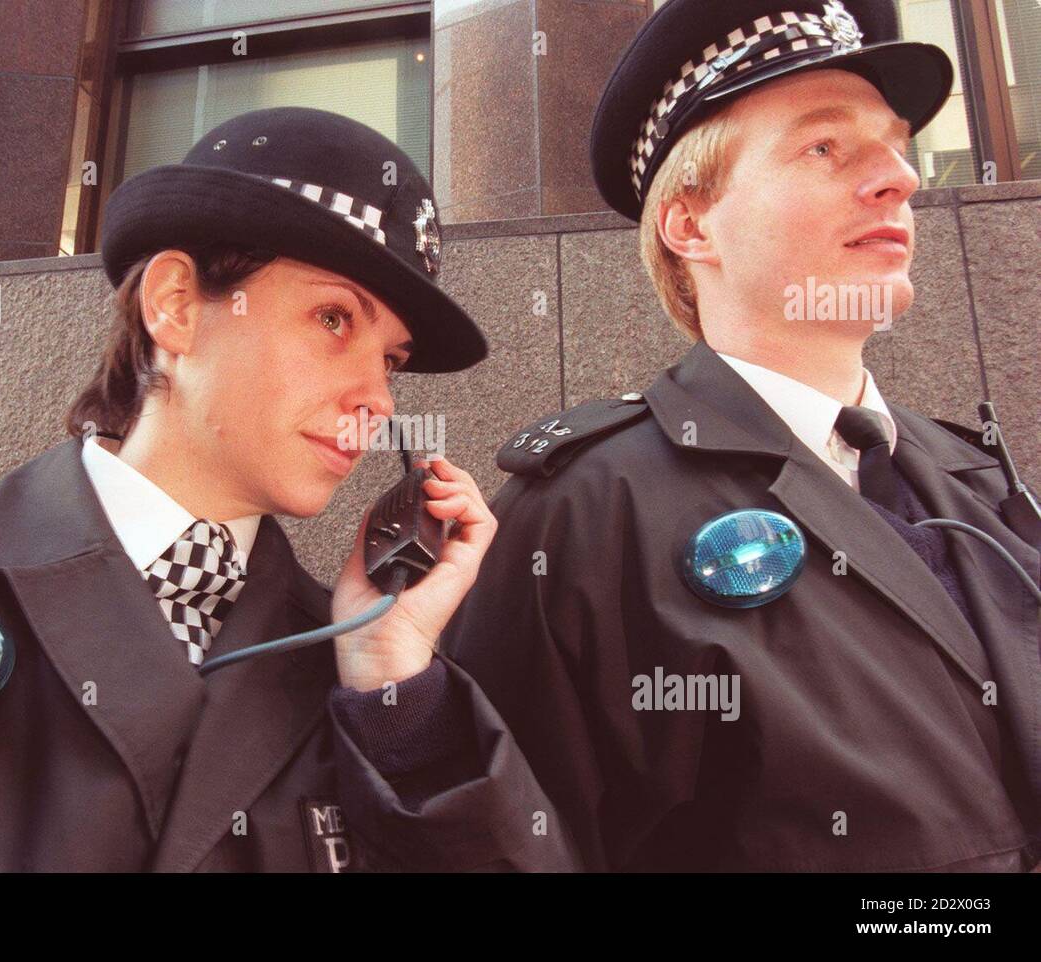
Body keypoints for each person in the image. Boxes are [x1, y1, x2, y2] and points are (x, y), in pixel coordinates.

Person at [0, 107, 575, 872]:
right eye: (333, 319)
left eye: (391, 359)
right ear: (175, 305)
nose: (380, 399)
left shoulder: (360, 679)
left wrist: (394, 686)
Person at [442, 0, 1040, 871]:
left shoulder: (979, 478)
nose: (899, 181)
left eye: (896, 150)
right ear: (692, 225)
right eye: (825, 147)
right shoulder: (585, 512)